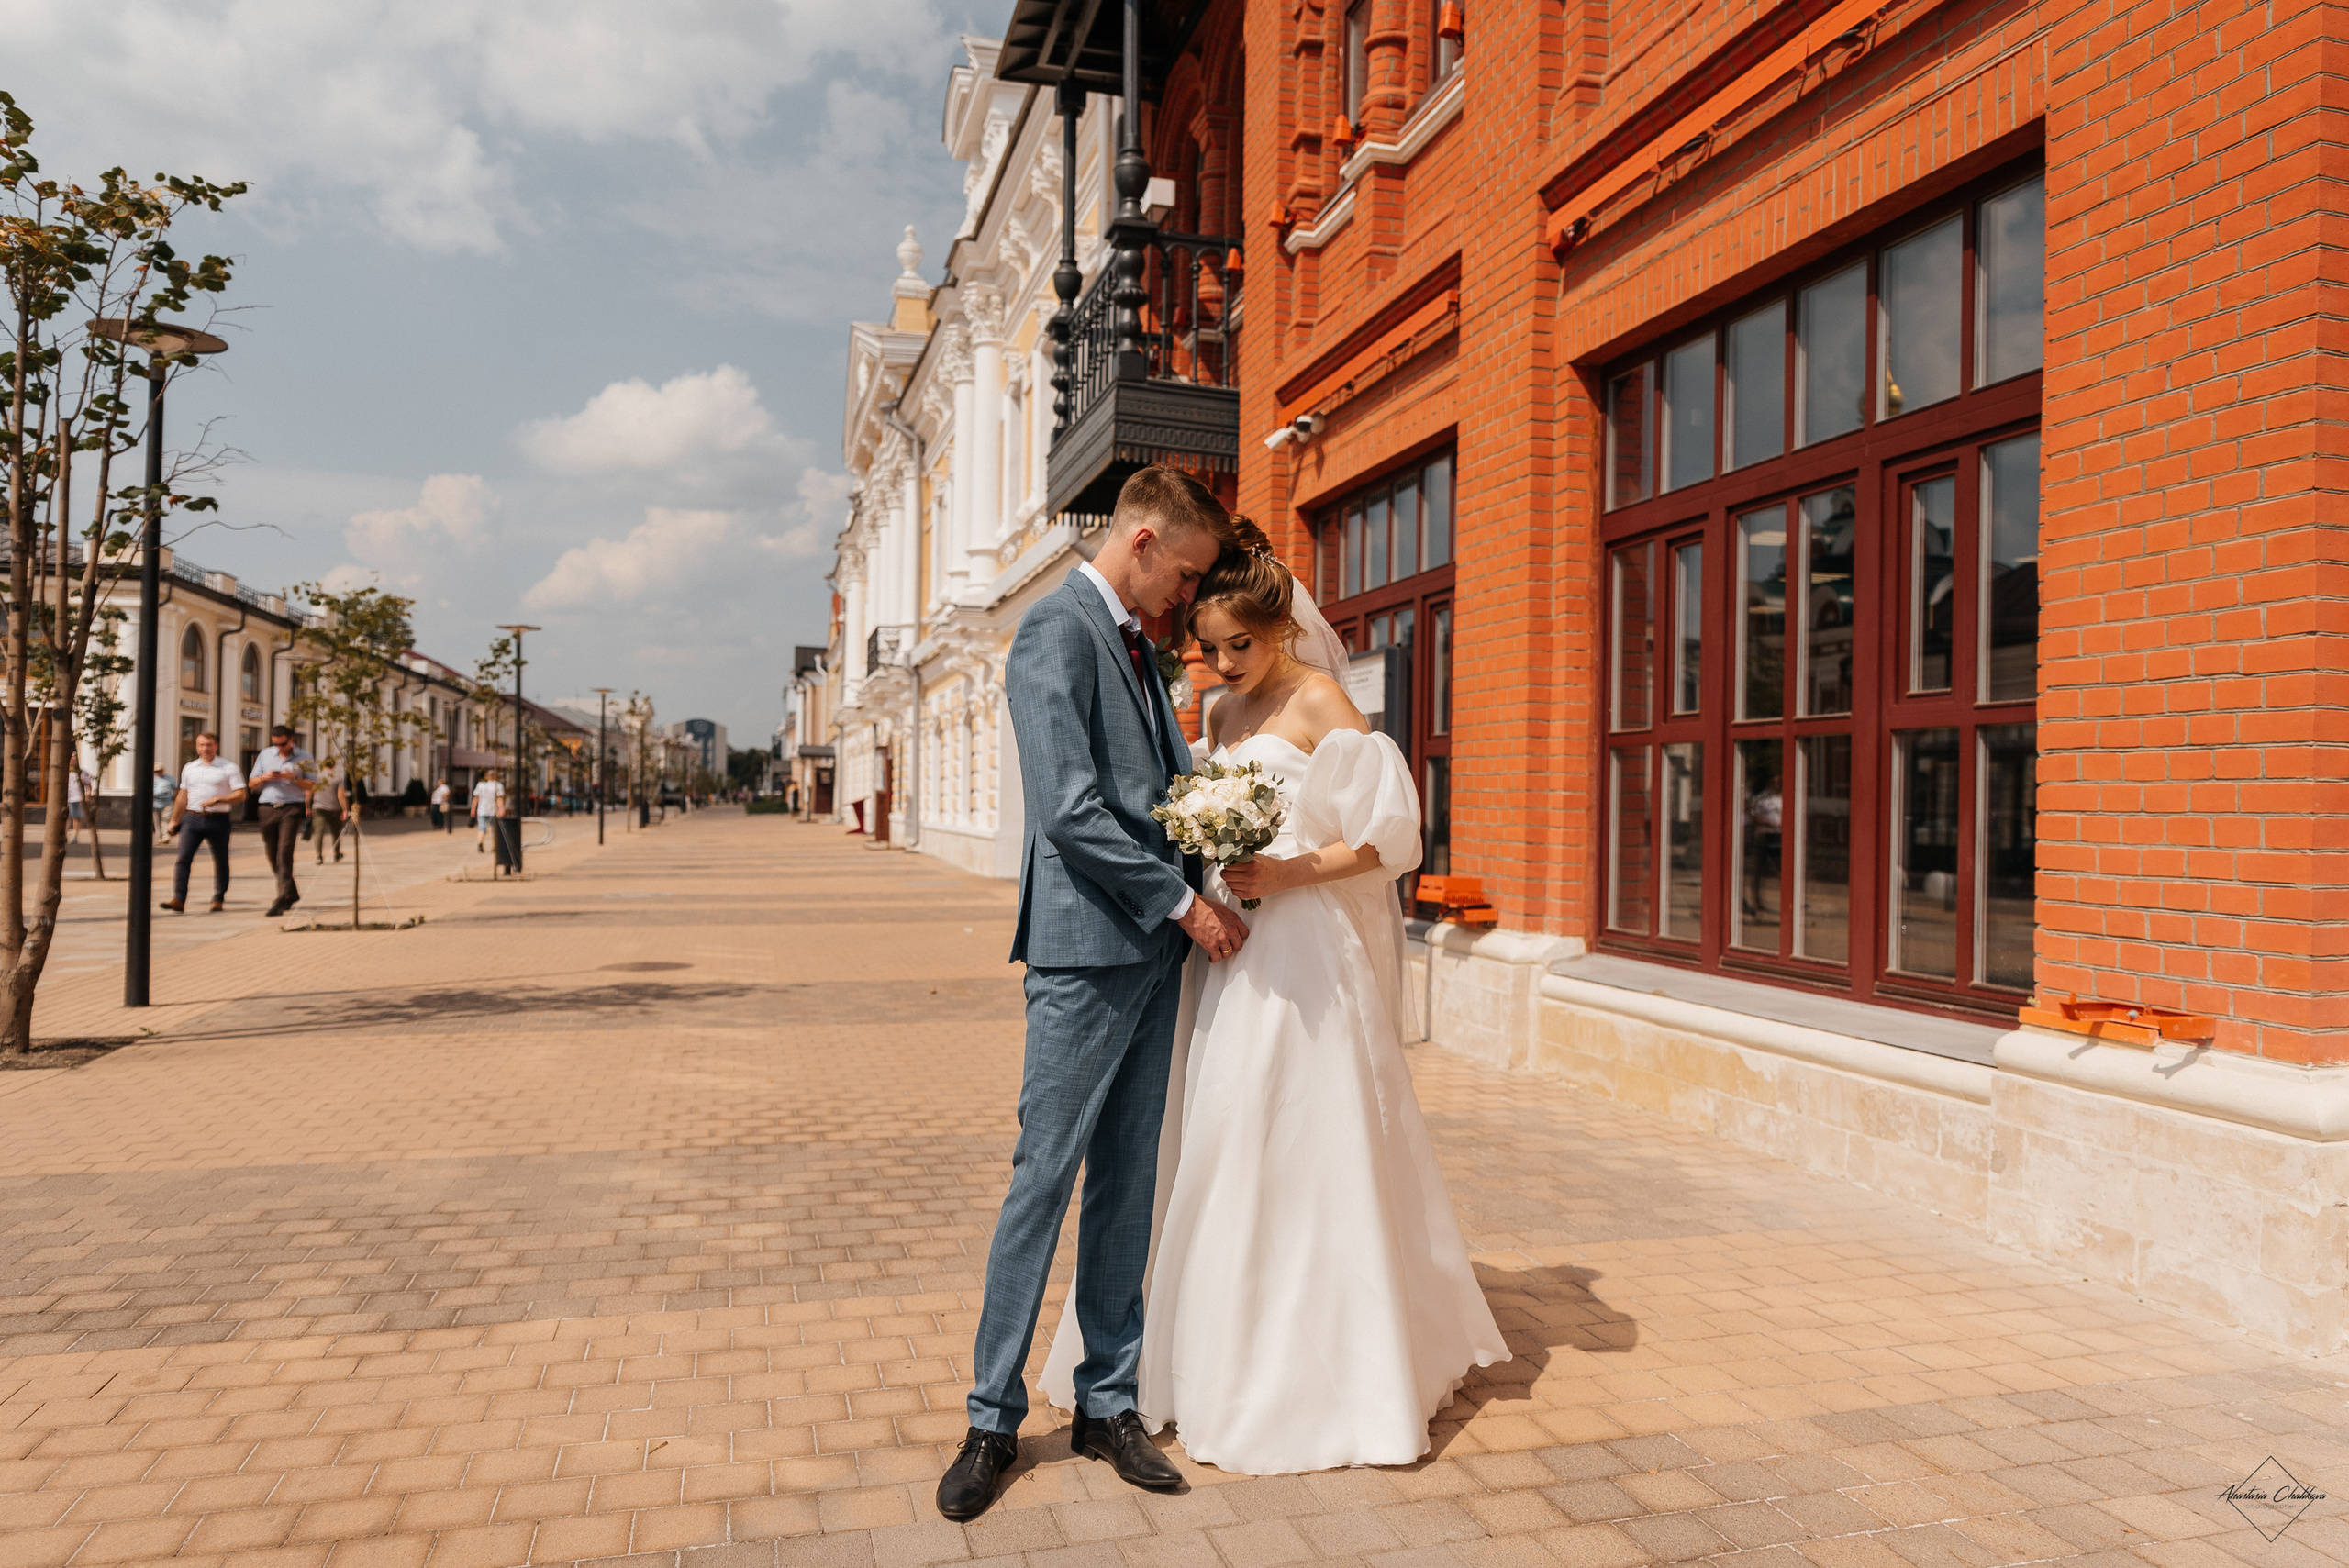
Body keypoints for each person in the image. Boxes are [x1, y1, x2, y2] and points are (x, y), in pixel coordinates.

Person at [1036, 522, 1508, 1475]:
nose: (1221, 664)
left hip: (1303, 954)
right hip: (1227, 948)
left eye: (1238, 644)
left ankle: (1323, 1366)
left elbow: (1388, 839)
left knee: (1301, 1130)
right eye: (1209, 647)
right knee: (1216, 1129)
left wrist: (1288, 870)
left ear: (1281, 627)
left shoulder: (1320, 699)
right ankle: (1197, 1351)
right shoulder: (1218, 714)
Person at [938, 467, 1248, 1523]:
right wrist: (1184, 902)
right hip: (1085, 954)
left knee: (1127, 1180)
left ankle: (1105, 1403)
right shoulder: (1056, 629)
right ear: (1144, 540)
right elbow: (1068, 809)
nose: (1187, 596)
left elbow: (1152, 793)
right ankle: (990, 1418)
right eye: (1186, 573)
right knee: (1044, 1177)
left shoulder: (1135, 644)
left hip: (1154, 952)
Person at [161, 732, 245, 914]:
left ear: (216, 746)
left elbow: (241, 794)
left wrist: (220, 800)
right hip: (192, 818)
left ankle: (218, 899)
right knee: (183, 858)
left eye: (208, 745)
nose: (205, 748)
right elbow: (182, 796)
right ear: (196, 747)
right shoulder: (189, 768)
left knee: (221, 859)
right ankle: (179, 899)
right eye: (201, 745)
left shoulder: (228, 767)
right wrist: (174, 820)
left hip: (218, 819)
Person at [248, 723, 317, 917]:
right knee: (272, 853)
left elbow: (314, 785)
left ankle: (281, 898)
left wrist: (293, 778)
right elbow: (251, 783)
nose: (279, 748)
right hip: (267, 808)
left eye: (283, 744)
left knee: (284, 852)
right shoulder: (265, 755)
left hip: (291, 808)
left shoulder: (305, 757)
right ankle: (291, 892)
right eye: (276, 744)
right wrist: (264, 778)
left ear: (292, 739)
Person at [312, 762, 349, 863]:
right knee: (336, 832)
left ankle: (319, 856)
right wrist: (345, 809)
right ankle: (336, 854)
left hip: (318, 808)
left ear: (324, 765)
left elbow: (309, 791)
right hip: (334, 808)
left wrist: (307, 807)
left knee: (319, 832)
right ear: (333, 766)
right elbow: (341, 795)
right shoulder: (339, 777)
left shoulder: (317, 776)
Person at [472, 770, 503, 852]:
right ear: (494, 776)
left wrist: (473, 809)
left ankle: (480, 843)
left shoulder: (480, 785)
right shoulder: (498, 785)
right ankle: (494, 846)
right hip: (493, 811)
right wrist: (502, 809)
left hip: (482, 810)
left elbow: (476, 798)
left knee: (481, 828)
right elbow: (499, 798)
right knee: (494, 829)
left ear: (486, 776)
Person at [150, 766, 173, 837]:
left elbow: (175, 789)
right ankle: (159, 836)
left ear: (163, 770)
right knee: (157, 820)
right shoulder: (152, 779)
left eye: (159, 771)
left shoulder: (170, 779)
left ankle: (165, 835)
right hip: (155, 803)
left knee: (166, 819)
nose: (157, 773)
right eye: (155, 771)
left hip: (168, 802)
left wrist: (174, 799)